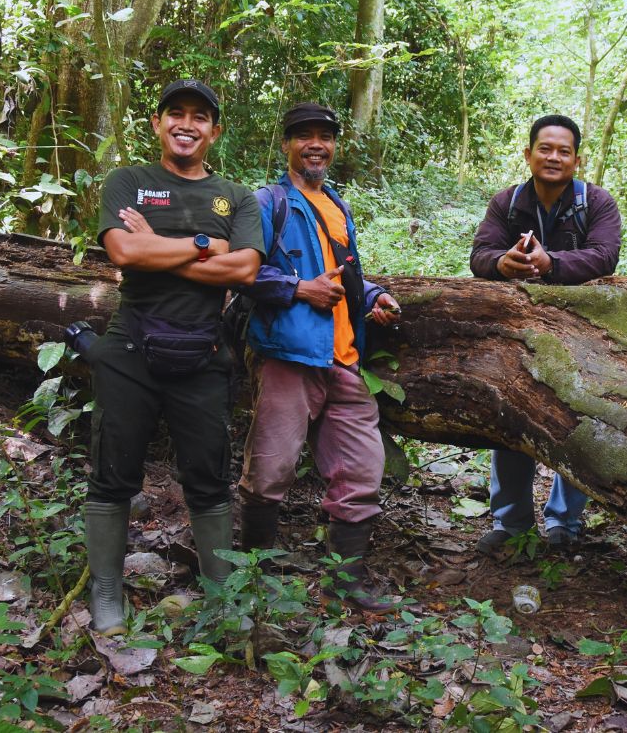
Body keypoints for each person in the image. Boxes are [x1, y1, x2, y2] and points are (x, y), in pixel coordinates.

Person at [81, 79, 264, 637]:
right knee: (113, 472)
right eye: (176, 114)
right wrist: (207, 246)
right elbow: (122, 250)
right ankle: (106, 593)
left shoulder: (237, 196)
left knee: (208, 477)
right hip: (130, 347)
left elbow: (245, 269)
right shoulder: (129, 181)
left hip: (203, 350)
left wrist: (155, 247)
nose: (187, 124)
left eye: (199, 117)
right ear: (157, 123)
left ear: (215, 131)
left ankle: (220, 600)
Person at [239, 101, 403, 611]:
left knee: (362, 471)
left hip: (344, 359)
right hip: (288, 356)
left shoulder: (336, 204)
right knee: (270, 470)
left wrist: (373, 295)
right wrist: (297, 288)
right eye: (304, 135)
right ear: (287, 144)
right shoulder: (267, 203)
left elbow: (343, 272)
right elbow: (239, 271)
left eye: (325, 136)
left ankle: (345, 581)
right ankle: (255, 583)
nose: (316, 145)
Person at [468, 114, 623, 552]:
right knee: (511, 416)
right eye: (545, 148)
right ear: (528, 154)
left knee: (578, 419)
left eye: (564, 151)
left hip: (583, 332)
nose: (554, 157)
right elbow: (480, 254)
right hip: (518, 331)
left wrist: (550, 263)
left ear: (577, 160)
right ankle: (511, 524)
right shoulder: (507, 202)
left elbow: (604, 256)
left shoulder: (597, 202)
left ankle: (564, 523)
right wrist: (501, 263)